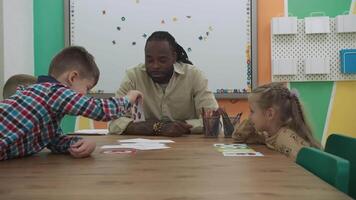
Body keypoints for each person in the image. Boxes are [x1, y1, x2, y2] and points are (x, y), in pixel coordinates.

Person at [0, 46, 142, 160]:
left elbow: (54, 140)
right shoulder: (55, 91)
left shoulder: (46, 107)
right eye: (87, 88)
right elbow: (99, 110)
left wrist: (79, 143)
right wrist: (127, 99)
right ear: (73, 77)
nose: (86, 95)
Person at [109, 31, 218, 137]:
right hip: (144, 150)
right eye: (149, 60)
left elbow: (214, 120)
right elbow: (114, 122)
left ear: (174, 57)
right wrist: (159, 127)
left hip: (186, 149)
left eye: (162, 60)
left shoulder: (194, 75)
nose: (155, 66)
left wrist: (180, 127)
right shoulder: (133, 76)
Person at [233, 82, 321, 160]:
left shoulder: (285, 139)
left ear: (270, 114)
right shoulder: (269, 134)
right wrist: (250, 123)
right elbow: (238, 138)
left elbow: (308, 169)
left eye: (252, 111)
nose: (249, 116)